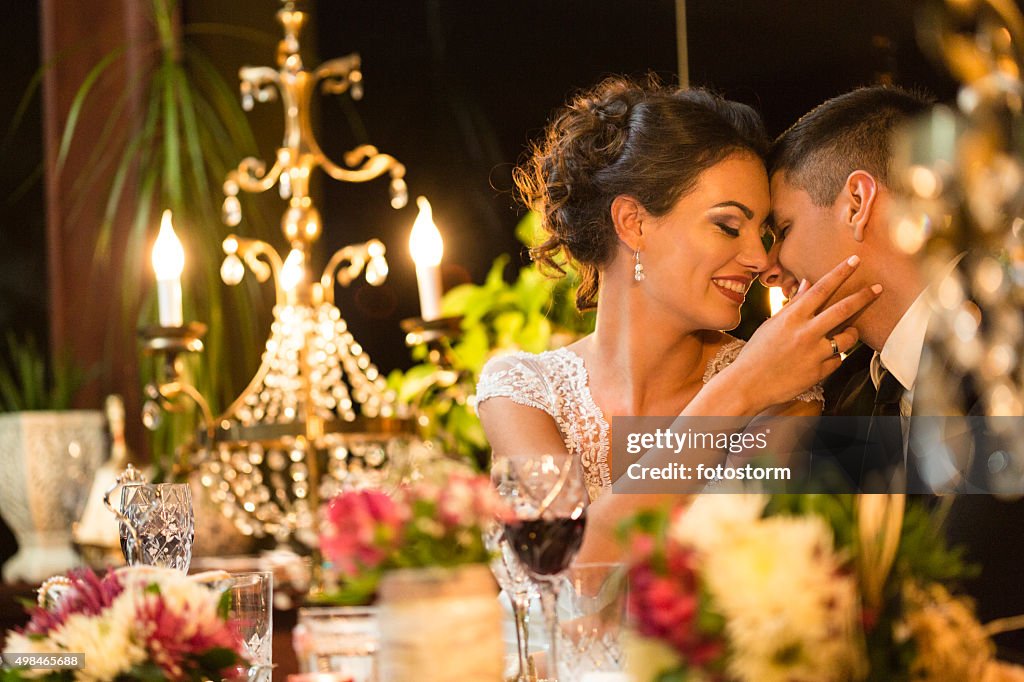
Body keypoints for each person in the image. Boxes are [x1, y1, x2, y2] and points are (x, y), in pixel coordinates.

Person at [475, 76, 881, 563]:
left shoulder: (785, 391)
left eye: (764, 232)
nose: (758, 258)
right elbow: (568, 567)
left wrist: (752, 381)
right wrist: (739, 389)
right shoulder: (522, 390)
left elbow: (734, 580)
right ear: (634, 223)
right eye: (728, 226)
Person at [766, 84, 1024, 655]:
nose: (769, 268)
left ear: (858, 202)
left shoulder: (1007, 347)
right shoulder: (848, 387)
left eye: (781, 230)